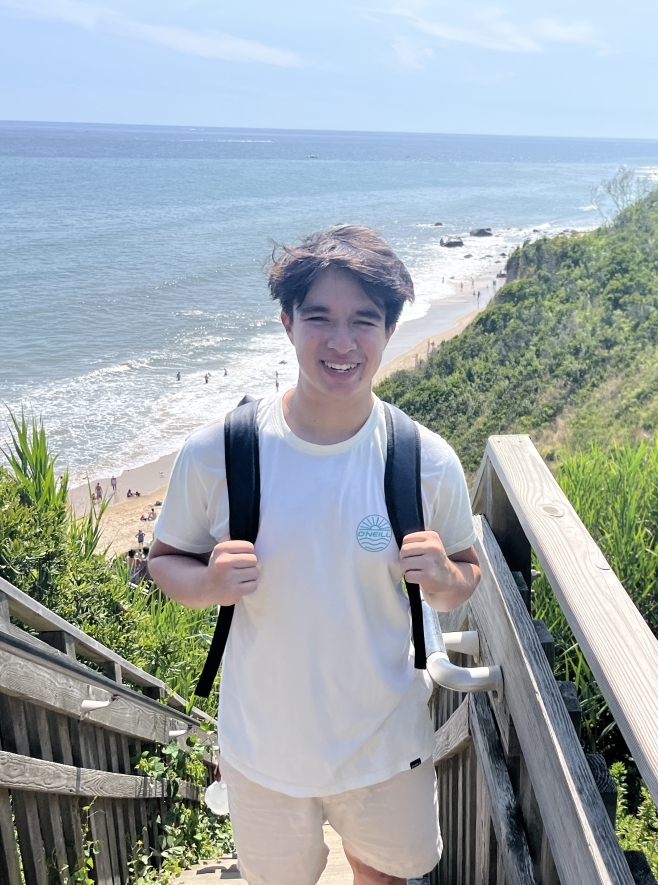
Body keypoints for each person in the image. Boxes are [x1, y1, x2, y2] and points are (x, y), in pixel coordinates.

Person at [148, 226, 480, 885]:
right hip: (262, 748)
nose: (340, 342)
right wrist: (208, 581)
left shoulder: (425, 460)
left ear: (389, 330)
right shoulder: (220, 451)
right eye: (319, 318)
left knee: (381, 876)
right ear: (286, 322)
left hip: (385, 743)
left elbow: (462, 575)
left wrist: (444, 576)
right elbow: (165, 560)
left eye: (363, 320)